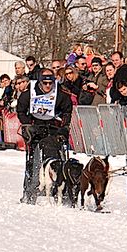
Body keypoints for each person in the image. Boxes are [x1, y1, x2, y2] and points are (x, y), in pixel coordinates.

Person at [16, 68, 73, 204]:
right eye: (45, 83)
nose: (48, 86)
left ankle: (61, 191)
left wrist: (64, 128)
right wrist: (27, 124)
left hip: (53, 128)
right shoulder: (30, 92)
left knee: (58, 159)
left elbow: (67, 111)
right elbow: (21, 109)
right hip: (35, 128)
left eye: (50, 83)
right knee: (33, 162)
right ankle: (30, 191)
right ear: (40, 82)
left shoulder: (60, 94)